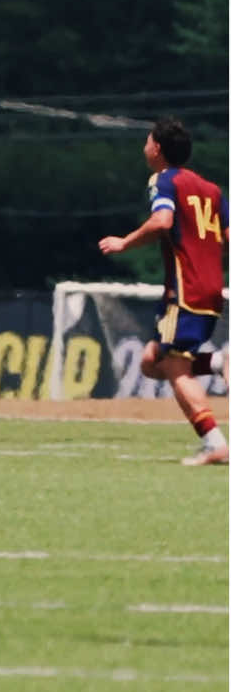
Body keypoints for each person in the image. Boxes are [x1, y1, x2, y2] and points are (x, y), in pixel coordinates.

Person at [99, 117, 229, 466]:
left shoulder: (164, 179)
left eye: (146, 140)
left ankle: (215, 442)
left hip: (185, 291)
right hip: (212, 289)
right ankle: (219, 362)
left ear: (156, 148)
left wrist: (124, 242)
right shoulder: (213, 190)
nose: (144, 146)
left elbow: (162, 222)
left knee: (174, 367)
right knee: (149, 363)